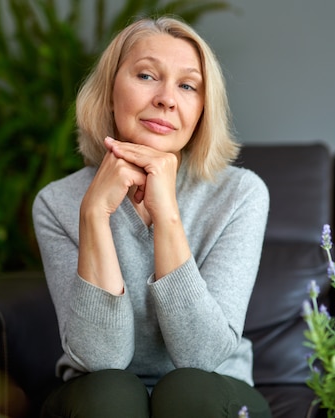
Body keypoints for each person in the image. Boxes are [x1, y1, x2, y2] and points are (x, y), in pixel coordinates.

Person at [32, 15, 271, 418]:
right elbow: (100, 358)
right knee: (110, 393)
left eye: (187, 85)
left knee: (187, 390)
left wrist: (166, 212)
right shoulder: (57, 202)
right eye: (146, 76)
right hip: (99, 398)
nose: (166, 98)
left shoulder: (241, 194)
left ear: (201, 111)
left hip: (212, 393)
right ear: (109, 92)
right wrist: (94, 213)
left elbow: (203, 354)